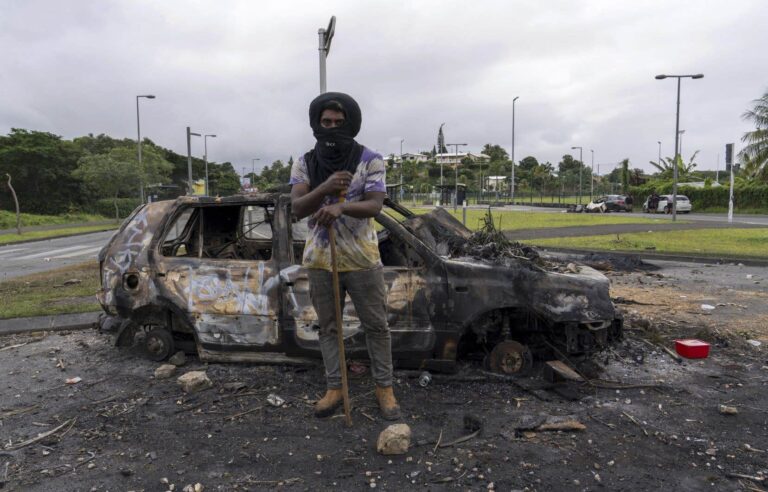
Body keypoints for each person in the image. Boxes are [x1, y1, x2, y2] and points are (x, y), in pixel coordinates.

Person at [289, 92, 401, 420]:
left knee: (377, 326)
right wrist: (325, 189)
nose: (333, 127)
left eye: (339, 122)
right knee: (329, 327)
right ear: (316, 124)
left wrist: (342, 206)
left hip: (363, 259)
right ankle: (335, 388)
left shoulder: (370, 159)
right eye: (326, 122)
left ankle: (385, 390)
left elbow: (375, 205)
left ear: (351, 123)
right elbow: (297, 208)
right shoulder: (305, 162)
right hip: (322, 260)